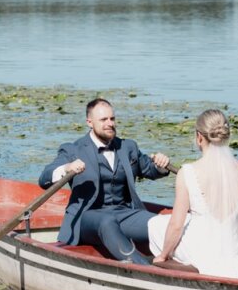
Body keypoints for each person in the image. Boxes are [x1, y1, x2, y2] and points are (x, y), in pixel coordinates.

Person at [39, 98, 170, 265]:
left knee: (162, 224)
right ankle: (145, 269)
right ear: (89, 122)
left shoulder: (127, 147)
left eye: (112, 118)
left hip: (124, 214)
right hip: (87, 218)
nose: (110, 123)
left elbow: (149, 169)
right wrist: (67, 167)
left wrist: (160, 165)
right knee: (107, 222)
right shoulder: (73, 149)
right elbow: (44, 179)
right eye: (103, 120)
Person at [148, 109, 238, 281]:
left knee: (155, 224)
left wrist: (163, 256)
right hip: (232, 248)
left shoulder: (187, 172)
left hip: (201, 250)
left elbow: (176, 225)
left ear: (199, 137)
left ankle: (176, 264)